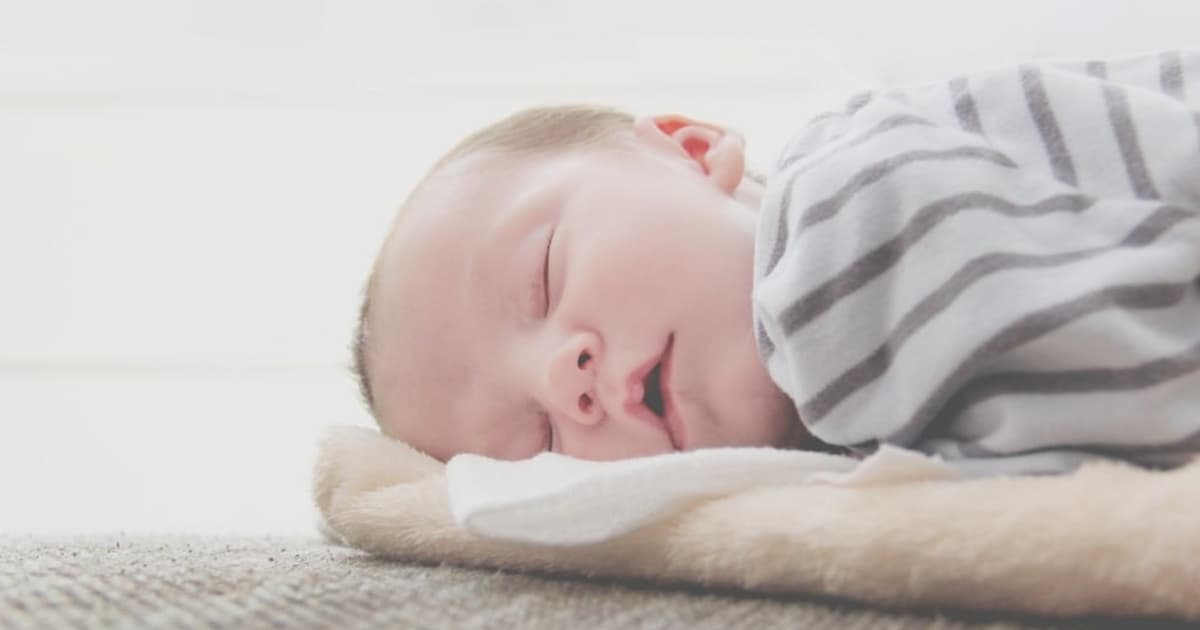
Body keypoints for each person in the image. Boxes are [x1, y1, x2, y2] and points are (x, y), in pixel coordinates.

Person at [353, 50, 1200, 475]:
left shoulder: (833, 230)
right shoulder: (830, 432)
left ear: (690, 149)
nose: (559, 377)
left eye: (542, 274)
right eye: (534, 444)